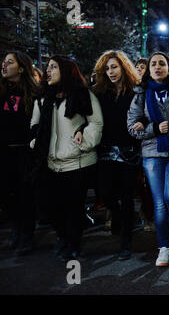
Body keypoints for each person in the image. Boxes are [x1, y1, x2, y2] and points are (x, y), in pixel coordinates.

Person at [30, 55, 103, 262]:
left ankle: (73, 244)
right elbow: (34, 125)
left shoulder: (82, 95)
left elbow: (95, 123)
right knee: (48, 207)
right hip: (50, 163)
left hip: (77, 162)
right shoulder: (43, 98)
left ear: (66, 70)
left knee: (73, 208)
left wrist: (84, 140)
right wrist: (36, 141)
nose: (48, 71)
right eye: (48, 68)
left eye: (54, 67)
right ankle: (64, 236)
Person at [128, 51, 169, 267]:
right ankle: (164, 247)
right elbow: (132, 126)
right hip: (153, 152)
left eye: (161, 63)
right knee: (159, 203)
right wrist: (153, 128)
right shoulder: (141, 94)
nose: (156, 67)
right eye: (153, 64)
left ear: (168, 67)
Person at [93, 50, 141, 260]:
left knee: (127, 196)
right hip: (105, 150)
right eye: (107, 68)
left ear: (123, 67)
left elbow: (145, 115)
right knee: (104, 193)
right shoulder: (99, 92)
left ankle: (126, 243)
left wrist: (143, 124)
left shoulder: (136, 92)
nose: (111, 71)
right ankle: (118, 215)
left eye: (114, 67)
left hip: (129, 151)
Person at [0, 51, 39, 256]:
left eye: (10, 62)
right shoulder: (1, 91)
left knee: (25, 196)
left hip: (24, 153)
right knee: (6, 194)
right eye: (3, 62)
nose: (4, 65)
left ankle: (26, 235)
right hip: (3, 153)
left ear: (21, 68)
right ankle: (15, 230)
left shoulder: (33, 94)